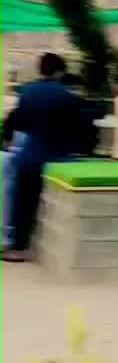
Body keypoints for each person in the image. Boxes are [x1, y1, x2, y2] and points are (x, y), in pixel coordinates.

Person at [1, 53, 91, 260]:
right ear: (59, 72)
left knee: (23, 202)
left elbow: (19, 121)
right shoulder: (67, 97)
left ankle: (18, 247)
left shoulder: (27, 91)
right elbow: (77, 129)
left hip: (29, 155)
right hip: (56, 157)